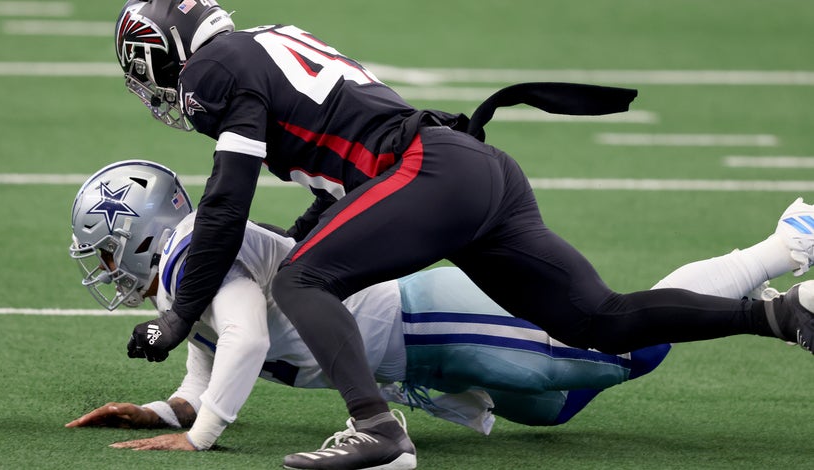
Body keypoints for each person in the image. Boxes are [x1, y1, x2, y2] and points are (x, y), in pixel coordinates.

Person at [111, 2, 814, 468]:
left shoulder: (214, 70)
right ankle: (782, 315)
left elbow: (228, 201)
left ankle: (377, 432)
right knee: (601, 321)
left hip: (428, 172)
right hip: (470, 169)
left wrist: (176, 318)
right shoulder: (266, 41)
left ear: (164, 50)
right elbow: (340, 185)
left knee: (302, 279)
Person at [69, 160, 800, 455]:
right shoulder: (186, 272)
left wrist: (202, 439)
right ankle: (764, 269)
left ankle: (781, 252)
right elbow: (209, 356)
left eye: (106, 250)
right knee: (560, 408)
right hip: (418, 354)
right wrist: (167, 411)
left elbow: (246, 336)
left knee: (623, 345)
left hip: (428, 320)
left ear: (139, 236)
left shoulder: (194, 257)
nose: (106, 269)